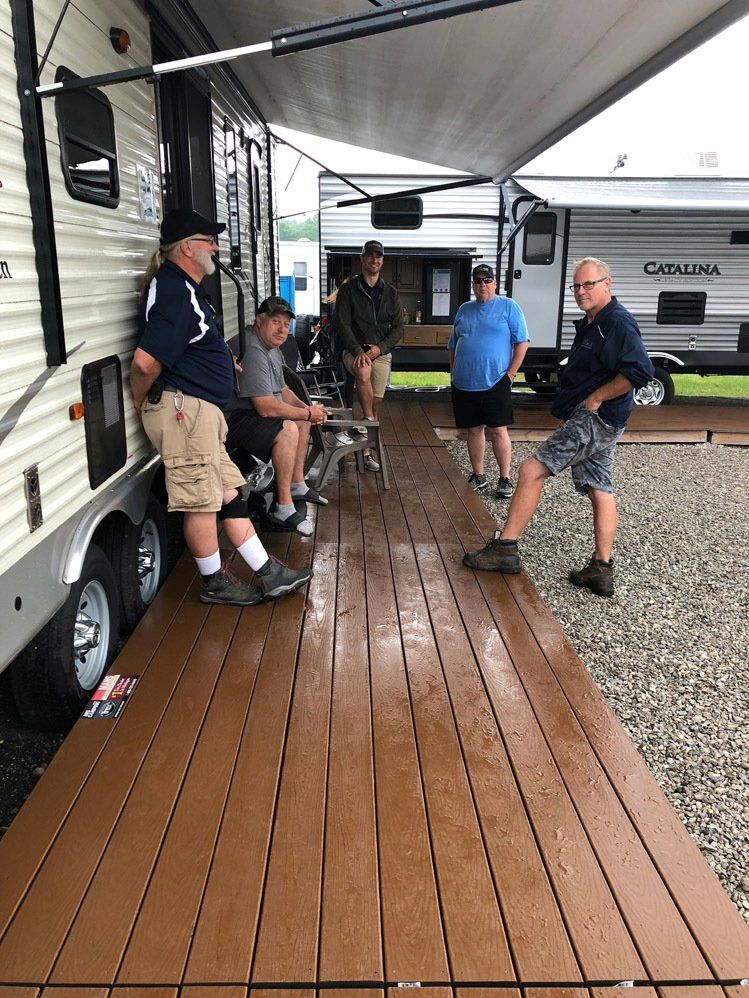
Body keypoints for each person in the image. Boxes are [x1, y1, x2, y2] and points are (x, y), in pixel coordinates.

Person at [130, 208, 312, 606]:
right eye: (208, 240)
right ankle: (214, 582)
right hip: (184, 412)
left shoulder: (185, 288)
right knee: (203, 500)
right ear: (187, 247)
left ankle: (267, 572)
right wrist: (139, 399)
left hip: (200, 413)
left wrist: (218, 362)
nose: (215, 246)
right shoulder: (175, 291)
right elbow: (145, 362)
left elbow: (186, 345)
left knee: (229, 493)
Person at [463, 257, 654, 597]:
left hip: (594, 419)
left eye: (588, 285)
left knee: (531, 469)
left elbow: (640, 371)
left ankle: (506, 548)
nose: (581, 292)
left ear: (607, 284)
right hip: (605, 422)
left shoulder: (618, 323)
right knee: (599, 486)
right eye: (576, 286)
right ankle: (602, 568)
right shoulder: (593, 321)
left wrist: (596, 398)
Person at [225, 296, 329, 536]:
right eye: (275, 322)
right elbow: (266, 408)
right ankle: (283, 506)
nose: (282, 329)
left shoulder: (272, 348)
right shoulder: (252, 349)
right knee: (288, 428)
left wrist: (309, 411)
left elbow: (283, 391)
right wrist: (306, 413)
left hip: (248, 413)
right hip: (230, 420)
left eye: (285, 323)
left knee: (301, 420)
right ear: (259, 321)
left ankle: (296, 484)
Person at [448, 263, 530, 498]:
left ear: (495, 283)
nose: (482, 284)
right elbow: (453, 345)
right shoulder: (464, 309)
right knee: (473, 430)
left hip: (496, 381)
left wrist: (510, 375)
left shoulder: (508, 307)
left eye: (487, 280)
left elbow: (522, 342)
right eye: (478, 280)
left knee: (498, 430)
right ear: (473, 284)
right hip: (464, 383)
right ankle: (478, 474)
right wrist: (454, 372)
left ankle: (504, 478)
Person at [336, 240, 404, 471]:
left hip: (380, 352)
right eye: (370, 256)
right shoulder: (348, 289)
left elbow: (398, 329)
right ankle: (368, 425)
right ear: (362, 259)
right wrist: (358, 351)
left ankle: (366, 434)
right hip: (354, 349)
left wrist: (379, 349)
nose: (374, 260)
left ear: (382, 261)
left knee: (377, 399)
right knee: (363, 372)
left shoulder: (391, 292)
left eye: (379, 256)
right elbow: (342, 325)